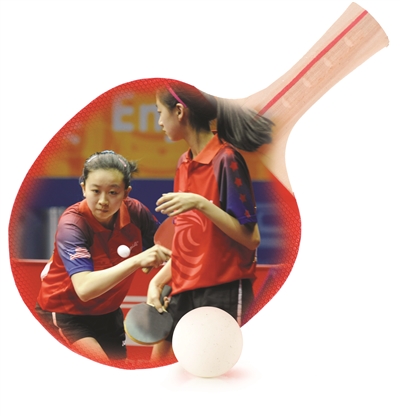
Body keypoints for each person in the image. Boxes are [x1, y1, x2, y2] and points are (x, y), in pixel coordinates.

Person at [146, 80, 274, 359]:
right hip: (184, 289)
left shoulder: (226, 159)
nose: (159, 122)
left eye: (159, 112)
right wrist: (157, 281)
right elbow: (190, 245)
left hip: (222, 291)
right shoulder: (183, 163)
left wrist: (201, 203)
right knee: (158, 361)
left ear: (179, 111)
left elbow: (251, 239)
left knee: (216, 372)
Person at [35, 150, 171, 364]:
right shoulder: (73, 224)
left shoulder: (136, 213)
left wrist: (160, 283)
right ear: (83, 188)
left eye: (113, 192)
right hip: (66, 314)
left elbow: (170, 250)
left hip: (109, 314)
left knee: (117, 373)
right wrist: (137, 260)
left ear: (126, 193)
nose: (103, 201)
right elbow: (84, 289)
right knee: (100, 371)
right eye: (95, 191)